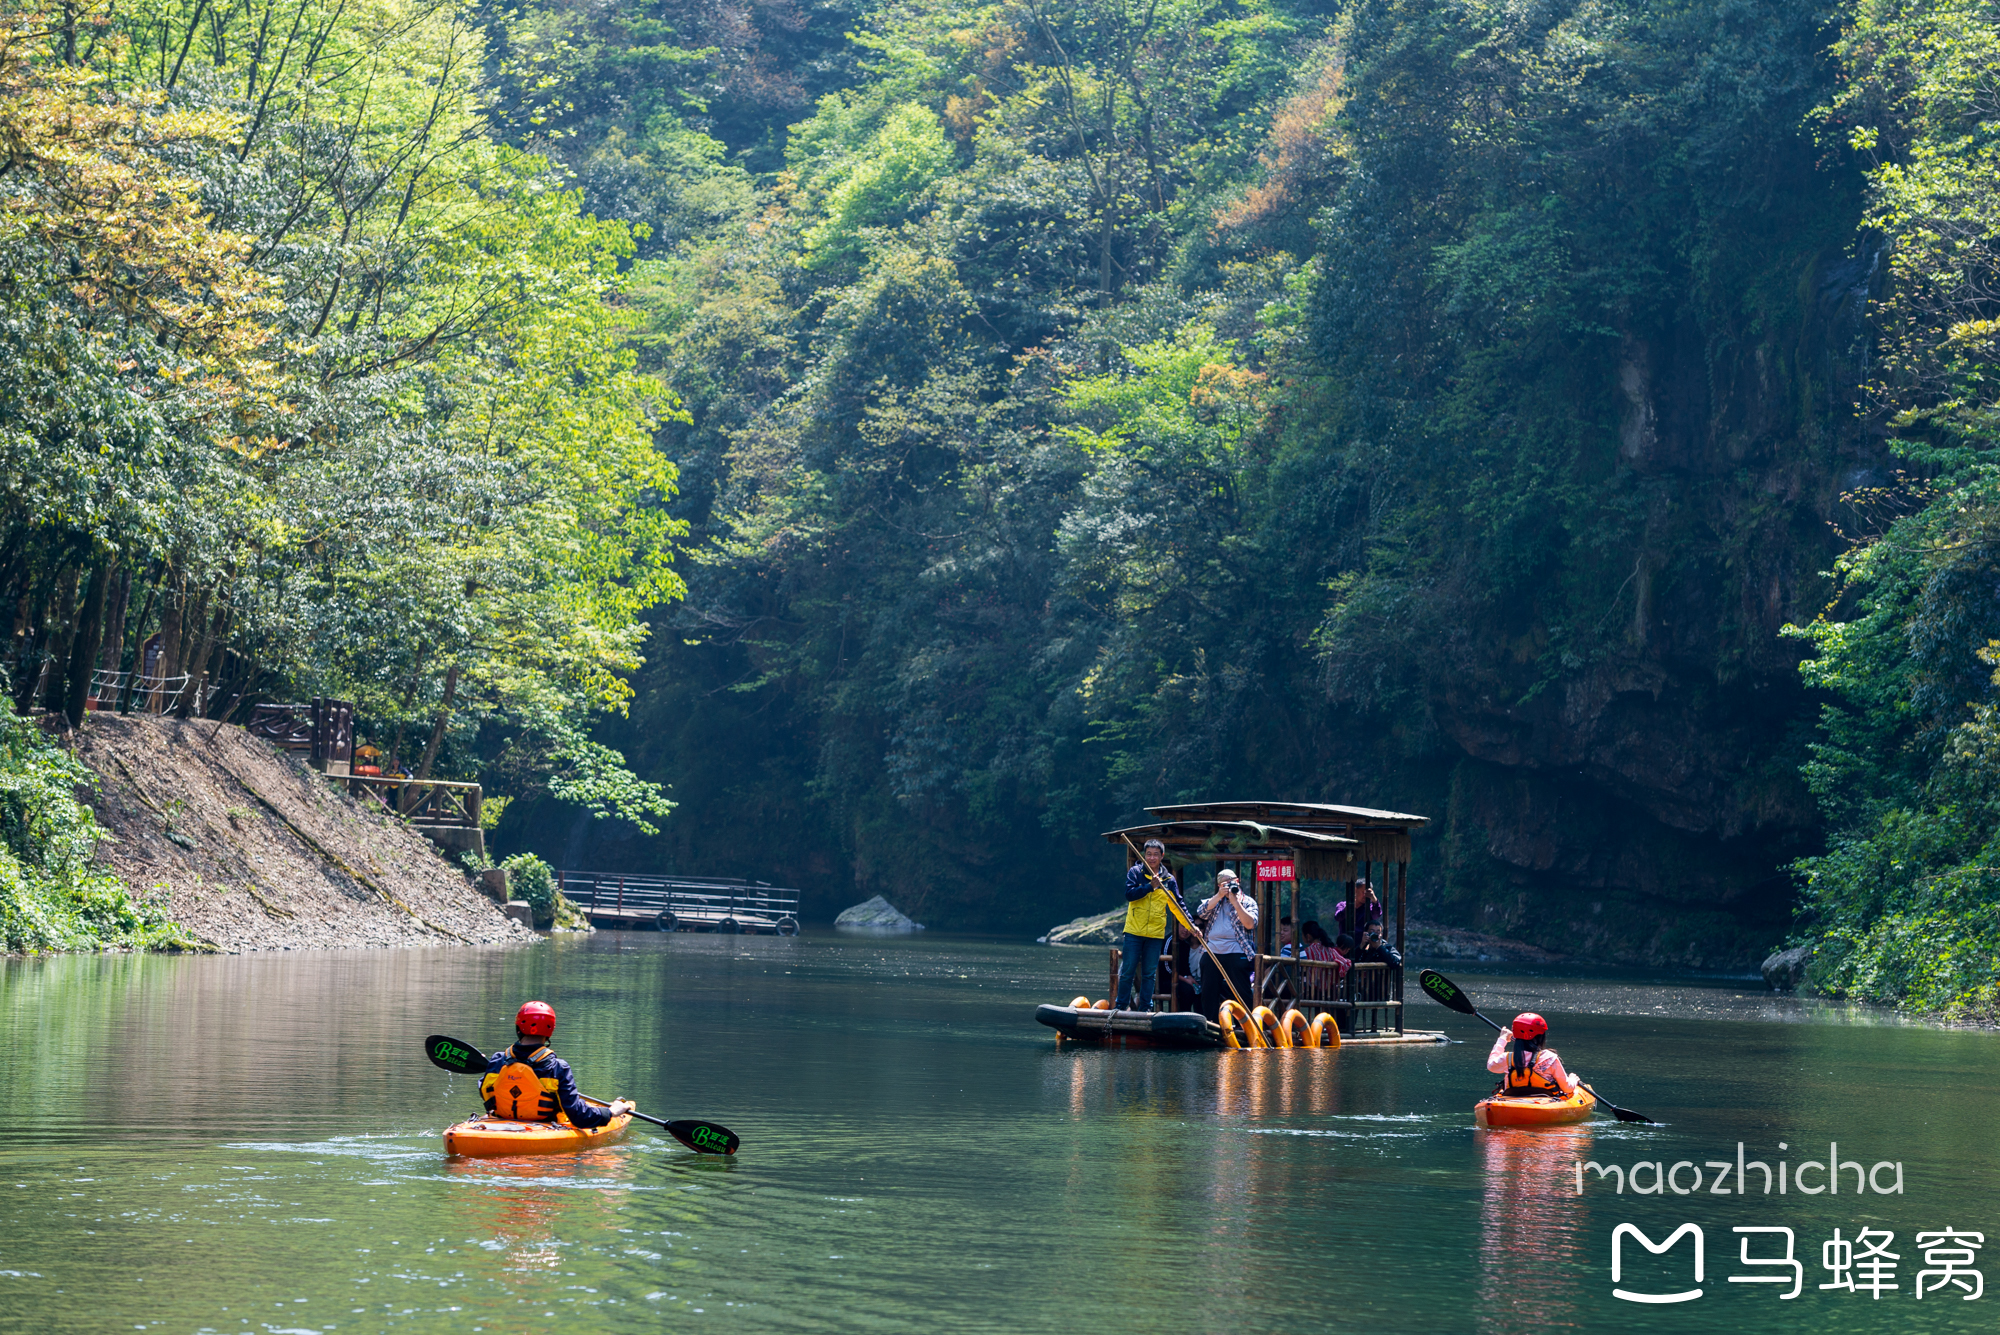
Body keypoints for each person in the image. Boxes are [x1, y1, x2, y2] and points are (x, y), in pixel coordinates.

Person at [481, 1001, 635, 1125]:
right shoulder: (558, 1068)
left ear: (518, 1027)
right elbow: (578, 1117)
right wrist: (611, 1112)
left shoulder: (498, 1060)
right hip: (545, 1125)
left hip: (499, 1122)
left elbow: (485, 1090)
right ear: (550, 1031)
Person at [1115, 839, 1181, 1011]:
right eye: (1149, 854)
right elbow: (1129, 894)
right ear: (1144, 855)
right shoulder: (1136, 872)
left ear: (1162, 856)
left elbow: (1179, 906)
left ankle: (1145, 1008)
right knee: (1128, 970)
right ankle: (1120, 1007)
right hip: (1134, 931)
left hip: (1155, 934)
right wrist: (1149, 887)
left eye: (1155, 855)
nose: (1152, 858)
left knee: (1149, 974)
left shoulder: (1169, 879)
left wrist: (1192, 927)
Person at [1194, 868, 1257, 1022]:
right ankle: (1210, 1023)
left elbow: (1250, 924)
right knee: (1208, 990)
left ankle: (1246, 1024)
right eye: (1224, 883)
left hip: (1237, 950)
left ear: (1238, 881)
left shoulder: (1248, 901)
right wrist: (1219, 895)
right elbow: (1201, 913)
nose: (1228, 886)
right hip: (1212, 950)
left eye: (1231, 882)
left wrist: (1235, 901)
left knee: (1242, 991)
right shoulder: (1215, 901)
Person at [1485, 1012, 1581, 1098]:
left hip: (1512, 1099)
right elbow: (1567, 1088)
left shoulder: (1507, 1058)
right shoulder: (1549, 1058)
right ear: (1541, 1037)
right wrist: (1573, 1079)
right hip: (1544, 1103)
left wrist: (1502, 1039)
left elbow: (1491, 1065)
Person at [1299, 920, 1350, 999]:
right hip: (1328, 991)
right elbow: (1346, 962)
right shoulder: (1329, 949)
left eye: (1302, 935)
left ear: (1308, 936)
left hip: (1311, 991)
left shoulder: (1306, 952)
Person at [1334, 878, 1384, 943]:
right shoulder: (1342, 905)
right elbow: (1338, 917)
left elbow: (1377, 915)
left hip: (1363, 946)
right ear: (1355, 890)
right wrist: (1351, 905)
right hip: (1345, 945)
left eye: (1367, 893)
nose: (1365, 895)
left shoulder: (1370, 907)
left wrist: (1373, 899)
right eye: (1363, 892)